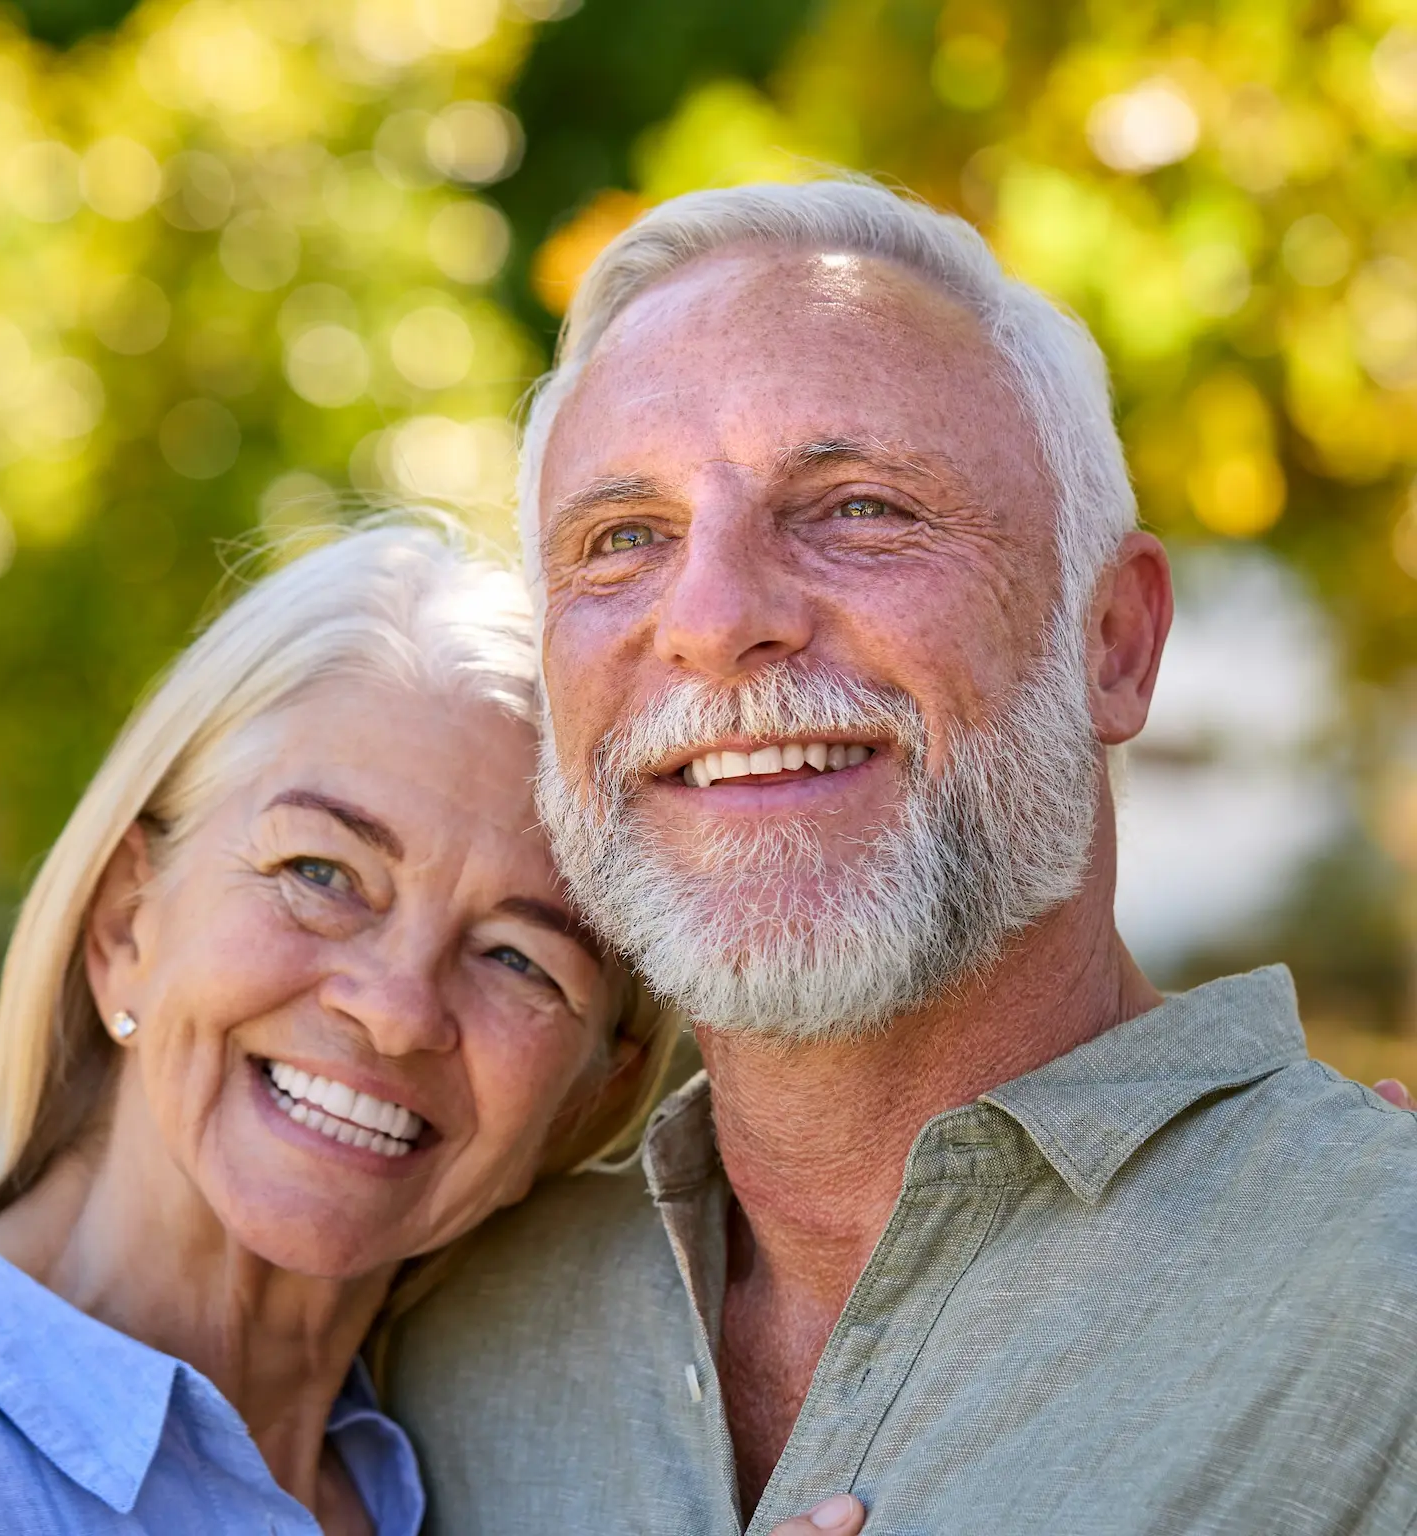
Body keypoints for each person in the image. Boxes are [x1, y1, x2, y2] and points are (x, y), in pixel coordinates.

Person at [377, 178, 1417, 1534]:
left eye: (859, 508)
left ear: (1115, 642)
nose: (714, 619)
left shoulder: (1377, 1295)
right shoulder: (440, 1329)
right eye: (623, 540)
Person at [0, 521, 866, 1536]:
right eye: (320, 874)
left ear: (581, 1100)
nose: (395, 1008)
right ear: (126, 918)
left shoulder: (488, 1482)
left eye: (520, 959)